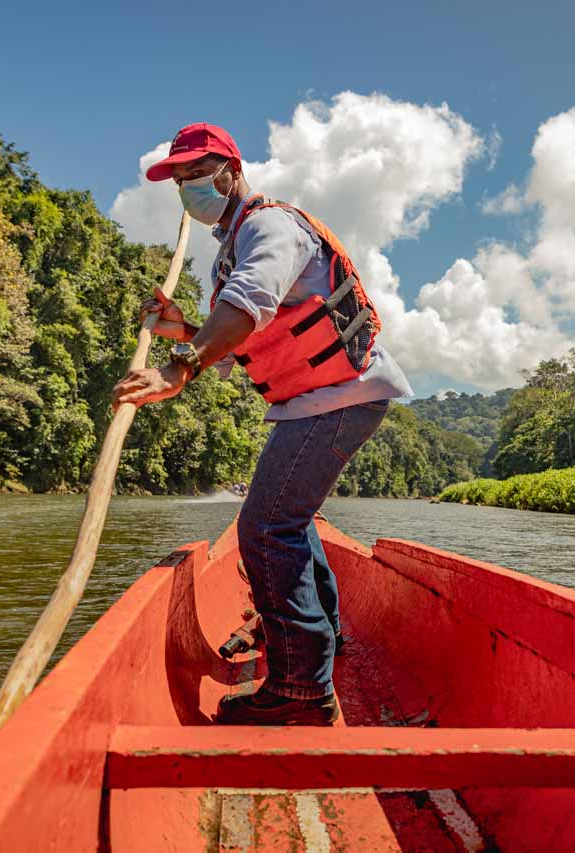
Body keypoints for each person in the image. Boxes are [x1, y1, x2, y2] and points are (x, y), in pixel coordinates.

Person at [112, 123, 412, 725]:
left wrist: (181, 367)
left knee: (267, 527)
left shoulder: (268, 225)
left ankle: (303, 689)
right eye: (179, 180)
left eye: (198, 172)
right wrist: (182, 327)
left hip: (340, 396)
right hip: (319, 399)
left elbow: (250, 304)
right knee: (288, 523)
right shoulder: (236, 240)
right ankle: (322, 640)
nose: (189, 187)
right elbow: (250, 325)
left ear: (232, 168)